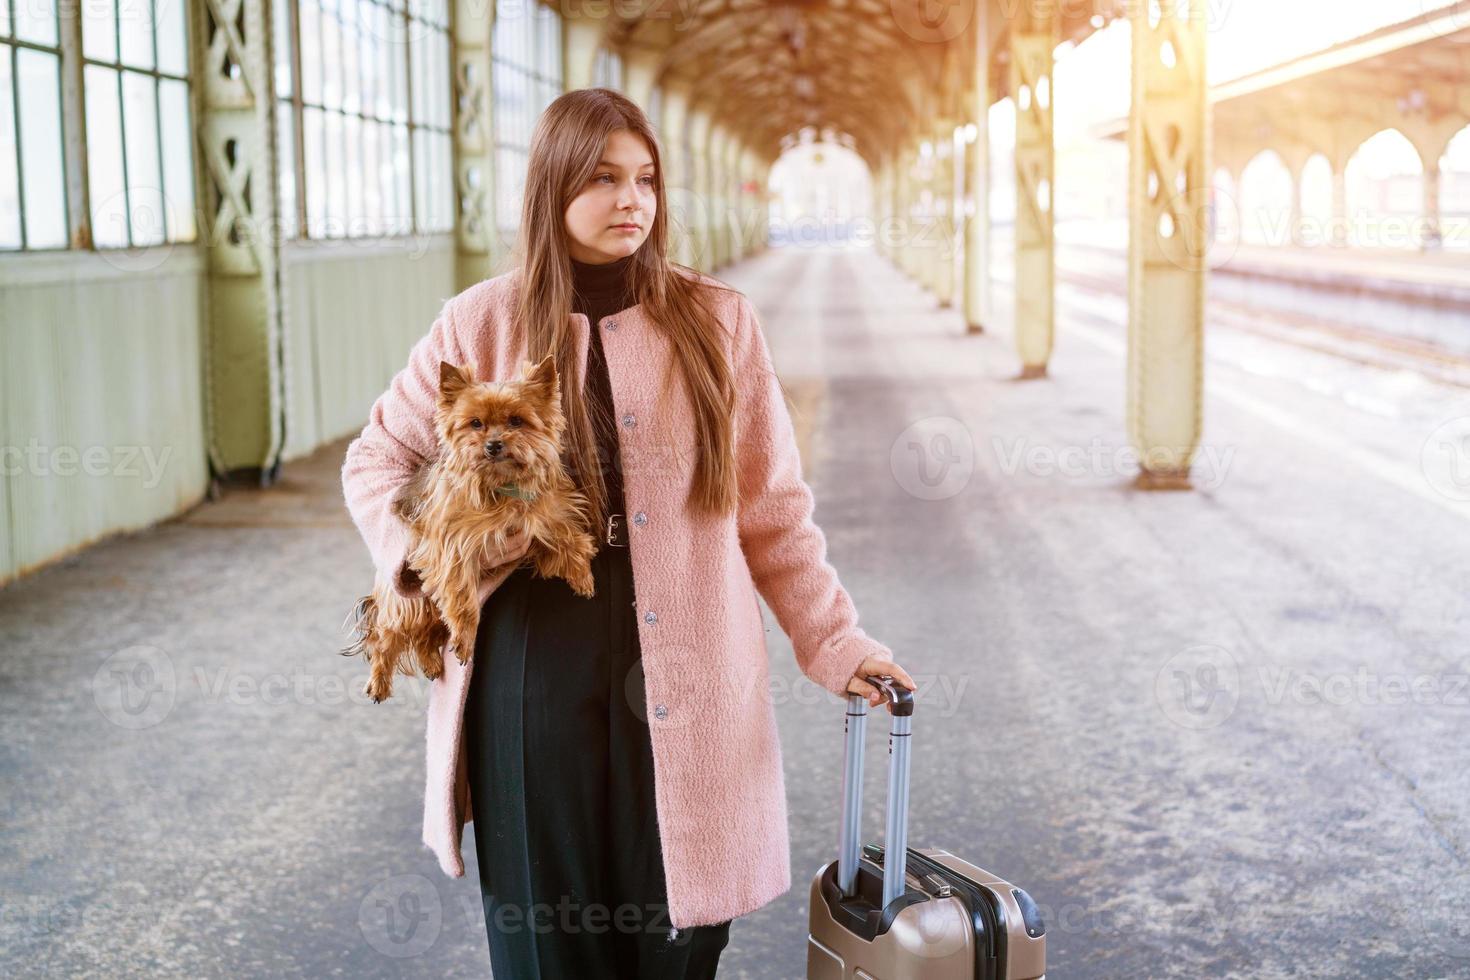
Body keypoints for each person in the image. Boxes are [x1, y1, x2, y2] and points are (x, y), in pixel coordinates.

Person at [341, 87, 915, 979]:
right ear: (552, 186)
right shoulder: (479, 321)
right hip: (530, 665)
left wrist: (838, 641)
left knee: (676, 936)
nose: (631, 201)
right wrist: (439, 554)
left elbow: (772, 510)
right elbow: (375, 462)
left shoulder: (718, 322)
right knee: (549, 942)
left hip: (689, 664)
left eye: (646, 178)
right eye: (604, 178)